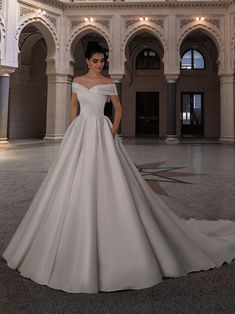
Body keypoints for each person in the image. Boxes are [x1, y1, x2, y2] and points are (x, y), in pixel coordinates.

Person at [2, 41, 235, 294]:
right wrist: (74, 127)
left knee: (109, 179)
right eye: (95, 61)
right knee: (72, 179)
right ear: (87, 61)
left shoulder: (108, 83)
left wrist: (112, 129)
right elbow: (73, 106)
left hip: (102, 131)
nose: (99, 65)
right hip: (81, 130)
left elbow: (119, 109)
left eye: (102, 61)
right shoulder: (77, 81)